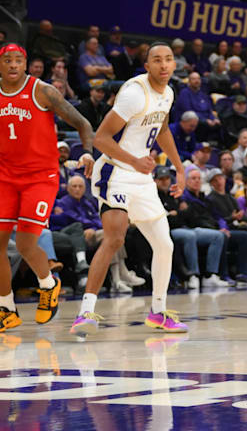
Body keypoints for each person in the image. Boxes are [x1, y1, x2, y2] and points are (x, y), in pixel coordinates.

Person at [73, 43, 189, 336]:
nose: (163, 65)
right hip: (116, 170)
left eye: (168, 60)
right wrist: (135, 161)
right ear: (146, 65)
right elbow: (101, 138)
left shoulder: (169, 92)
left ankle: (158, 312)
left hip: (141, 176)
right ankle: (85, 312)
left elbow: (161, 130)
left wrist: (179, 167)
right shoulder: (134, 93)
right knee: (115, 238)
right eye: (156, 60)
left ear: (174, 65)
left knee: (165, 244)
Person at [0, 43, 94, 331]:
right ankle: (6, 308)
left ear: (26, 64)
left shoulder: (42, 90)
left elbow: (83, 123)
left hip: (40, 177)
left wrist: (87, 151)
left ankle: (48, 284)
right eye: (7, 60)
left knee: (27, 243)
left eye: (18, 60)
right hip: (5, 176)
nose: (13, 65)